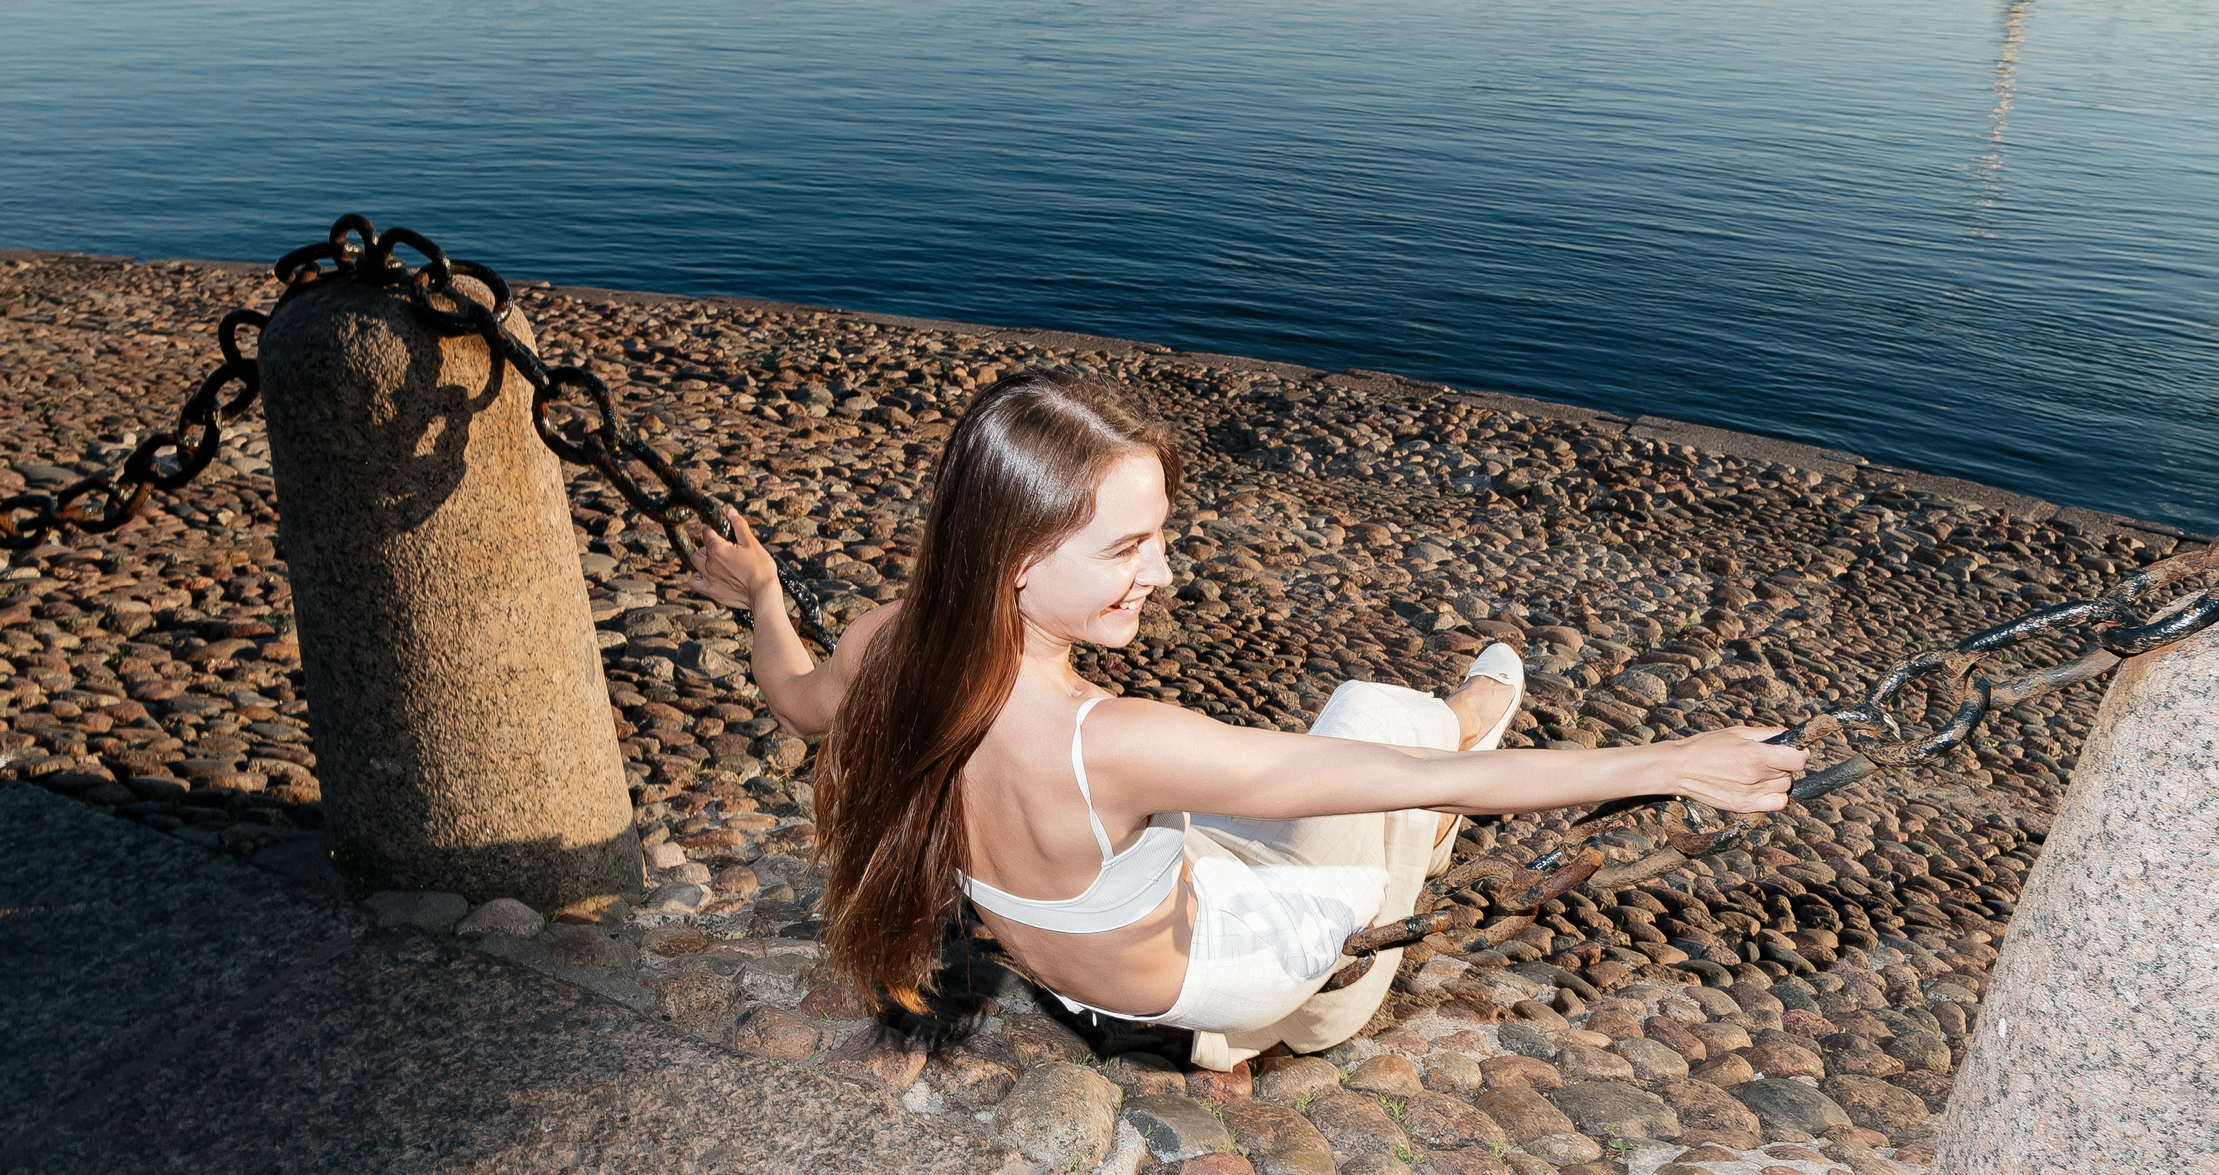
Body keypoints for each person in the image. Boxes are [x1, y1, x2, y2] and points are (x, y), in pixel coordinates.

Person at [688, 374, 1804, 1069]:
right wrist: (1680, 760)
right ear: (1019, 560)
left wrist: (764, 597)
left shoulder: (889, 641)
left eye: (1159, 537)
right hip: (1209, 964)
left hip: (1077, 963)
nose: (1163, 574)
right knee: (1390, 739)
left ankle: (1449, 727)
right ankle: (1304, 1009)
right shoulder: (1111, 739)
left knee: (1355, 763)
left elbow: (797, 702)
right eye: (1128, 549)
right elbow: (1433, 793)